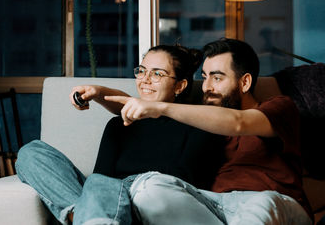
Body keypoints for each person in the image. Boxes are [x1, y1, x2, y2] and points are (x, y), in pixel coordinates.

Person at [104, 38, 313, 224]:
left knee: (263, 202)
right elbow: (141, 109)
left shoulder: (279, 107)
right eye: (204, 77)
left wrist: (161, 107)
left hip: (273, 201)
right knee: (150, 187)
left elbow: (239, 122)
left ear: (245, 82)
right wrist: (99, 93)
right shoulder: (199, 122)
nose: (206, 87)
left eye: (217, 78)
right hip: (215, 207)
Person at [15, 45, 225, 225]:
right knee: (31, 153)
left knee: (101, 185)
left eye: (157, 73)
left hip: (149, 203)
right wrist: (103, 197)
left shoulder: (198, 123)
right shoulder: (119, 123)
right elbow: (100, 179)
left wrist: (124, 189)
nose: (145, 80)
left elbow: (184, 184)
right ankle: (81, 214)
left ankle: (86, 216)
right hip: (107, 201)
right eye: (142, 71)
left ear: (180, 86)